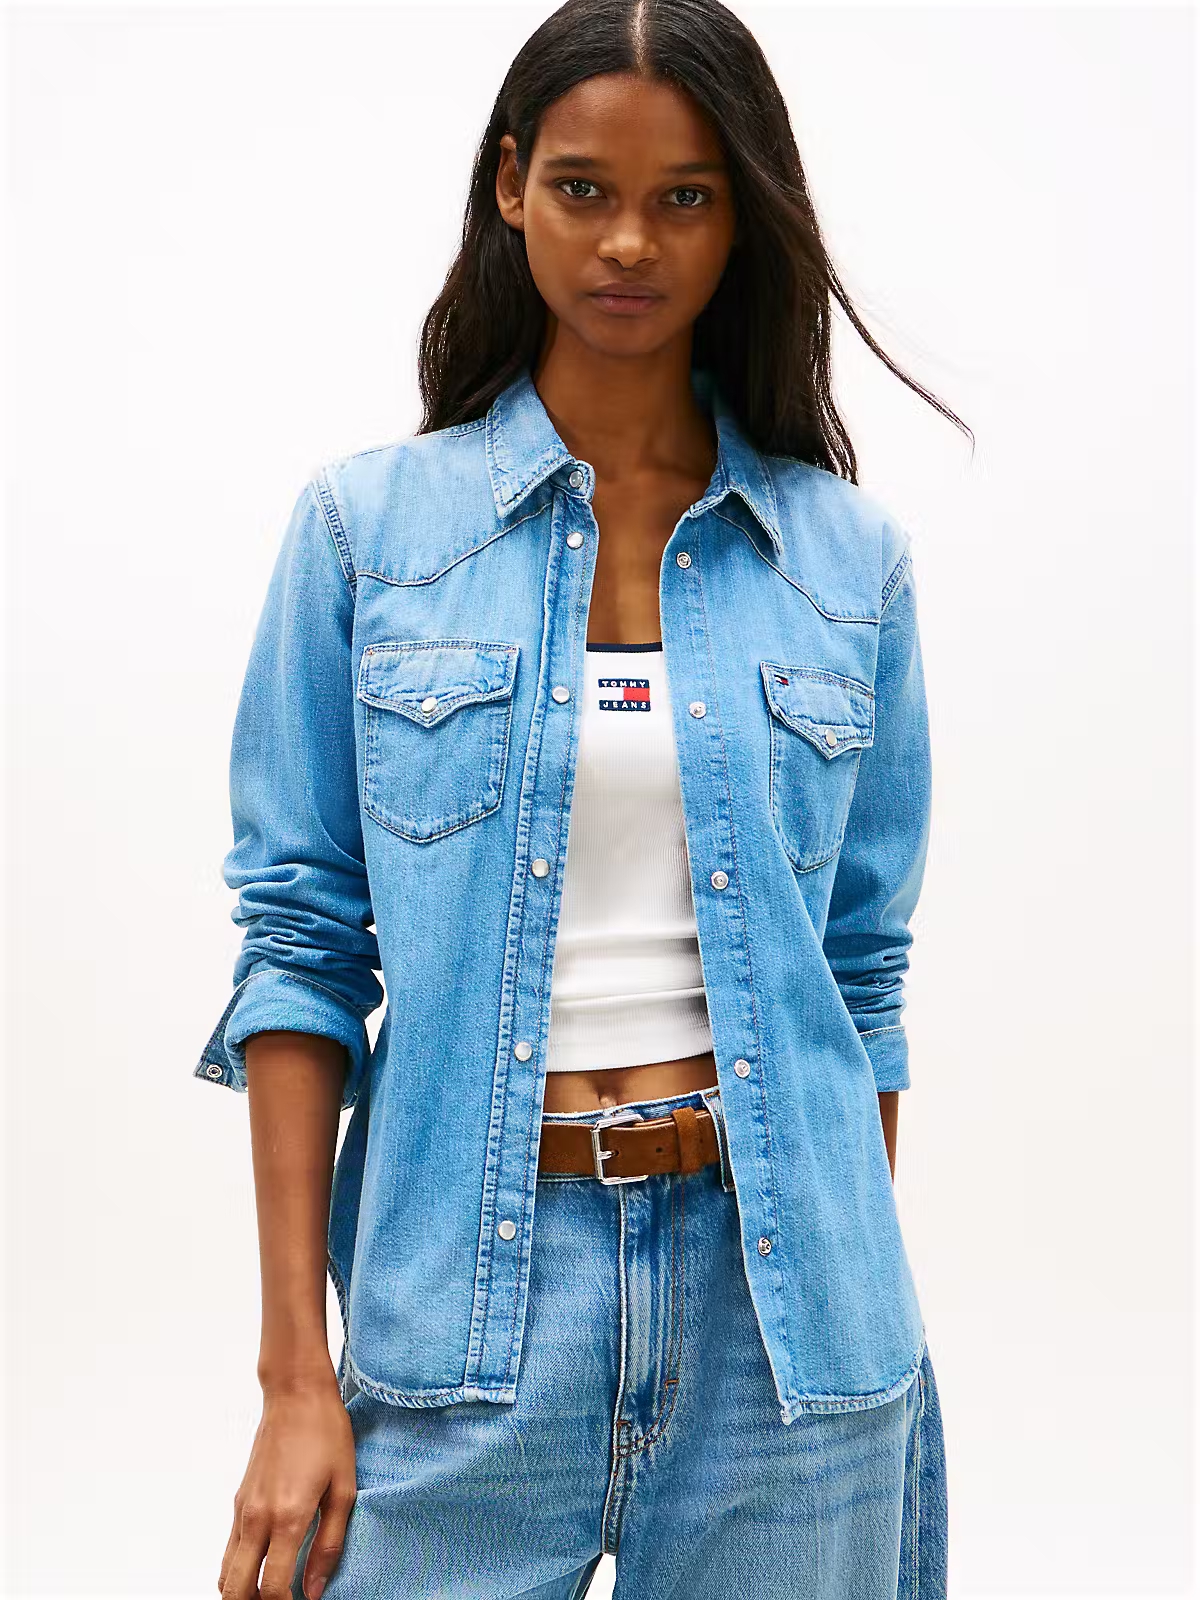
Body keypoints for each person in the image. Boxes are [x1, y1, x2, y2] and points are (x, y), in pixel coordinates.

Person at [197, 2, 969, 1595]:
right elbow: (299, 956)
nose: (630, 241)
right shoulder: (366, 537)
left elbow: (862, 978)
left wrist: (832, 1302)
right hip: (465, 1310)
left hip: (785, 1332)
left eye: (685, 196)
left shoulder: (846, 562)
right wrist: (292, 1376)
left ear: (744, 218)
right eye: (583, 188)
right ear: (510, 187)